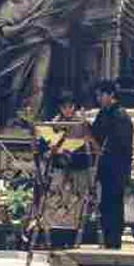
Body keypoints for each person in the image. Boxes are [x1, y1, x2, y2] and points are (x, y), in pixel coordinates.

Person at [0, 0, 92, 120]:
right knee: (15, 87)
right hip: (20, 50)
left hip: (42, 46)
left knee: (39, 84)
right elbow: (5, 31)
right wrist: (26, 24)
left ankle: (31, 119)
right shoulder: (7, 8)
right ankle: (14, 119)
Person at [39, 91, 94, 242]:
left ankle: (75, 235)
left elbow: (91, 146)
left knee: (77, 201)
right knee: (55, 200)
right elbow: (44, 147)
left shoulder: (82, 124)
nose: (68, 110)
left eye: (71, 107)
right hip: (59, 168)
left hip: (78, 168)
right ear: (60, 108)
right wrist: (51, 151)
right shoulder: (53, 124)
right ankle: (53, 235)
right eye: (65, 107)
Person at [91, 81, 133, 249]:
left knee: (114, 206)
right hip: (105, 168)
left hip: (116, 169)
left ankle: (113, 242)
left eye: (100, 95)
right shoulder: (104, 113)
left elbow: (120, 144)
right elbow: (95, 134)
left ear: (110, 95)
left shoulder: (120, 115)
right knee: (106, 206)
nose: (98, 99)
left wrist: (103, 150)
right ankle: (107, 241)